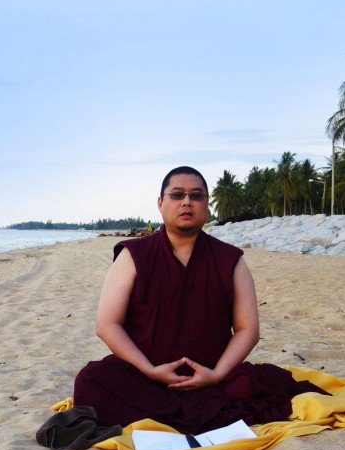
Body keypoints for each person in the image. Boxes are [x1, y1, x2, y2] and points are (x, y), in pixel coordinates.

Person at [73, 166, 326, 434]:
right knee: (90, 381)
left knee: (270, 383)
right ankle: (196, 414)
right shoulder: (134, 255)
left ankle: (180, 412)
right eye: (177, 195)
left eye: (196, 196)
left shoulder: (230, 259)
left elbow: (247, 329)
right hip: (146, 377)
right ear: (160, 203)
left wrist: (216, 374)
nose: (186, 202)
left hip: (214, 378)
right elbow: (107, 324)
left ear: (206, 205)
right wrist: (149, 370)